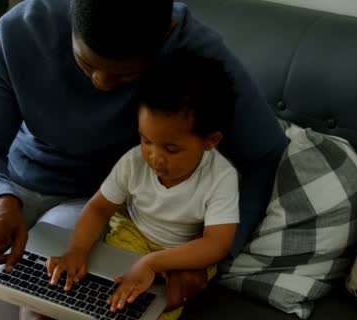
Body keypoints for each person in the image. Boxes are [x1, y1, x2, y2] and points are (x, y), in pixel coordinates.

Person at [0, 0, 288, 319]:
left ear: (163, 40)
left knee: (43, 308)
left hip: (102, 203)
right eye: (87, 64)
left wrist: (207, 259)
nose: (102, 83)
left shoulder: (198, 50)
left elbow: (263, 153)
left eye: (124, 76)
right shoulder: (22, 29)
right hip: (14, 180)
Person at [47, 50, 239, 320]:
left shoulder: (221, 177)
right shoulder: (134, 162)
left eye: (171, 149)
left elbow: (217, 244)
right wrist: (76, 250)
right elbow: (99, 208)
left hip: (182, 253)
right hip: (133, 233)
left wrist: (152, 263)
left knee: (153, 311)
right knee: (105, 297)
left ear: (211, 141)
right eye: (146, 140)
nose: (154, 157)